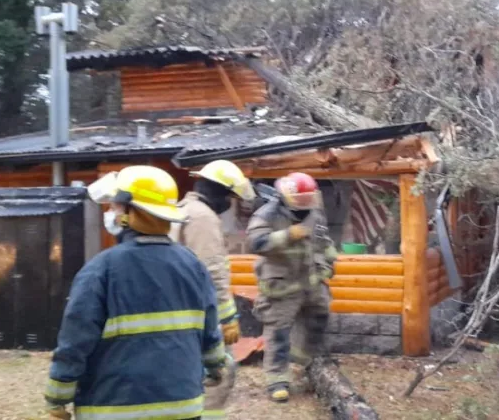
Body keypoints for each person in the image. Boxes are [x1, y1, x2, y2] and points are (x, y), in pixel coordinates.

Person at [44, 165, 226, 420]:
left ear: (131, 212)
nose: (111, 213)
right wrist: (215, 366)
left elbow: (76, 338)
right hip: (183, 407)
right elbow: (211, 330)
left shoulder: (101, 269)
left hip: (113, 408)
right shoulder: (193, 265)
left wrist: (58, 397)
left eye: (115, 207)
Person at [169, 159, 255, 420]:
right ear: (218, 192)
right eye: (229, 196)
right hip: (200, 311)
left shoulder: (181, 209)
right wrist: (228, 318)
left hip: (180, 310)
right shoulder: (202, 217)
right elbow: (212, 271)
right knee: (219, 373)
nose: (229, 203)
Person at [245, 172, 338, 403]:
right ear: (286, 197)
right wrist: (287, 235)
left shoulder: (314, 213)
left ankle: (306, 359)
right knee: (278, 332)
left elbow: (324, 242)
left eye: (309, 198)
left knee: (320, 317)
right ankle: (277, 380)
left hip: (312, 280)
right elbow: (255, 243)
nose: (305, 204)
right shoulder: (267, 214)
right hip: (282, 285)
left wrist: (329, 263)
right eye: (301, 199)